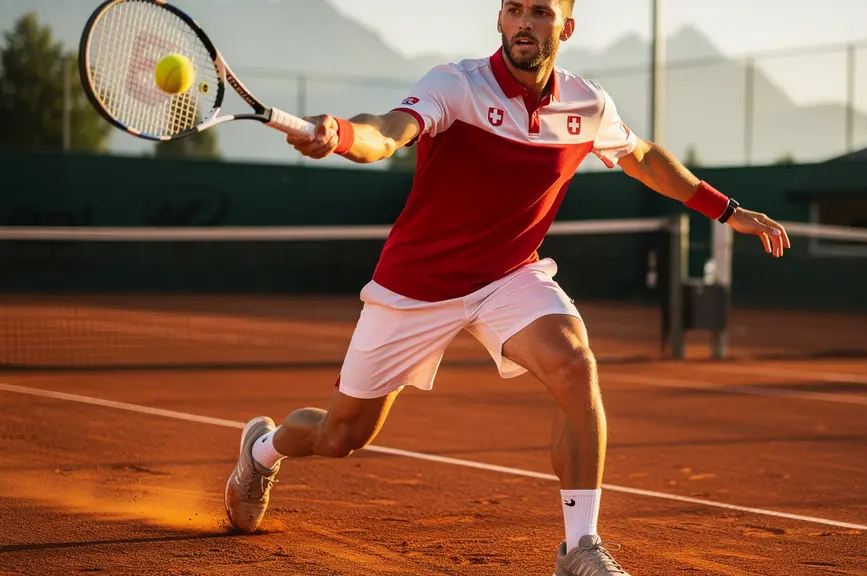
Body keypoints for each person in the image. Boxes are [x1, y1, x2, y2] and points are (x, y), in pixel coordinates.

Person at [224, 1, 790, 574]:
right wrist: (343, 134)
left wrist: (727, 210)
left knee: (574, 364)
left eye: (540, 11)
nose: (524, 22)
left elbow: (642, 158)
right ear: (499, 20)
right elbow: (389, 132)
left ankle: (580, 548)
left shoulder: (587, 104)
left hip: (508, 275)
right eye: (513, 9)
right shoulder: (454, 85)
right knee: (339, 435)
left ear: (565, 27)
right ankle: (262, 451)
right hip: (417, 285)